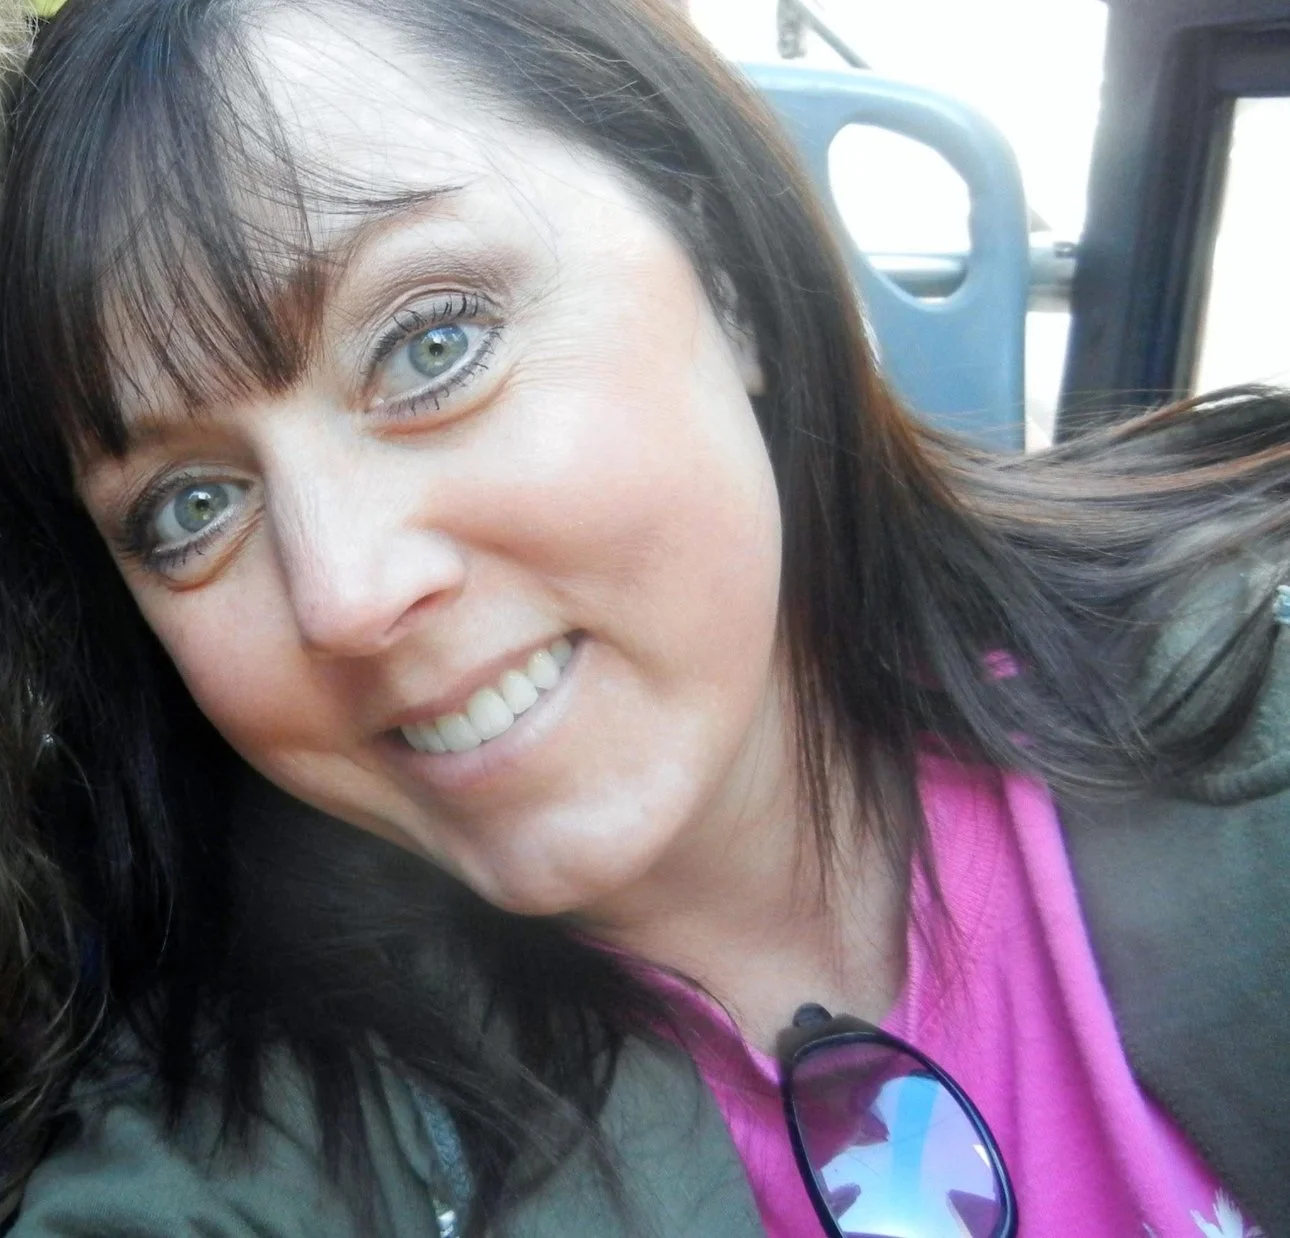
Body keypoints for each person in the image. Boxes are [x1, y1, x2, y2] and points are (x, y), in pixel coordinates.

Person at [0, 0, 1286, 1235]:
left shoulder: (1251, 680)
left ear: (725, 269)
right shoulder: (255, 1138)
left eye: (430, 344)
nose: (344, 596)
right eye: (192, 505)